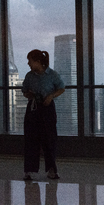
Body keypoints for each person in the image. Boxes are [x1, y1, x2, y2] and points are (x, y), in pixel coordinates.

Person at [22, 49, 65, 180]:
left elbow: (61, 88)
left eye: (30, 61)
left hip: (47, 109)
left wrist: (51, 96)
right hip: (33, 108)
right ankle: (29, 170)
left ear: (38, 62)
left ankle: (51, 169)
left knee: (49, 139)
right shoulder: (29, 76)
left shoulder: (52, 74)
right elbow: (25, 91)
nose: (28, 64)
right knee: (31, 139)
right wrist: (30, 94)